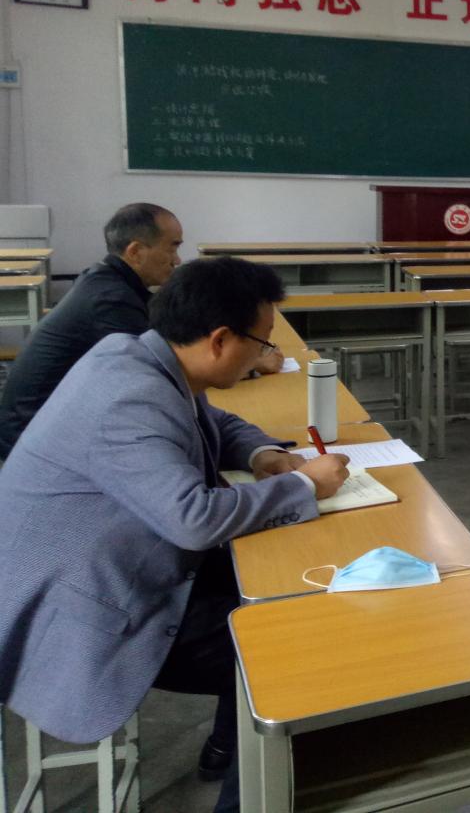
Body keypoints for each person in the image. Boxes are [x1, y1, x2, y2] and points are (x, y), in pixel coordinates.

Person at [0, 257, 350, 813]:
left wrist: (262, 454)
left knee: (287, 589)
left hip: (124, 559)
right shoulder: (129, 398)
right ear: (220, 340)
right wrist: (305, 486)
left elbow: (215, 423)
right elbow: (195, 518)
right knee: (286, 652)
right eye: (262, 342)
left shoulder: (142, 357)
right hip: (88, 609)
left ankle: (227, 747)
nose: (265, 355)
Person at [0, 203, 281, 461]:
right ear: (135, 252)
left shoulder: (112, 282)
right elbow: (177, 362)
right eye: (172, 247)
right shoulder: (110, 301)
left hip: (57, 422)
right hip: (34, 435)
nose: (177, 260)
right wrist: (252, 362)